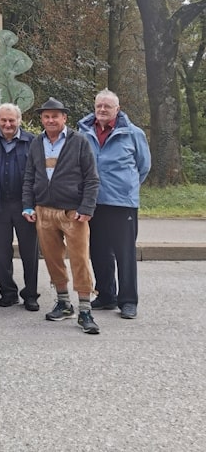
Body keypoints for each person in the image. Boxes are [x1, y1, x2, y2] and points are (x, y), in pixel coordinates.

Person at [22, 97, 101, 334]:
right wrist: (28, 205)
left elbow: (91, 178)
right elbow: (29, 177)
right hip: (44, 211)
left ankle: (85, 309)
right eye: (46, 116)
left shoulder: (79, 142)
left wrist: (86, 208)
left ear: (64, 118)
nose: (50, 120)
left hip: (73, 213)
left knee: (79, 259)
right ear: (42, 119)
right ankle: (64, 303)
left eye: (55, 116)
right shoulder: (37, 143)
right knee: (52, 259)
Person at [78, 89, 151, 319]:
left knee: (124, 254)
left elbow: (144, 166)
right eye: (99, 105)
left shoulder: (133, 133)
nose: (102, 110)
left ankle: (128, 301)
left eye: (107, 107)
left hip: (122, 204)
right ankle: (106, 295)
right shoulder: (82, 132)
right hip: (93, 202)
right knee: (98, 252)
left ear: (117, 110)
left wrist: (127, 186)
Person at [0, 103, 40, 311]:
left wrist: (35, 204)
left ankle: (30, 295)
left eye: (11, 120)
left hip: (25, 206)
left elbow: (39, 175)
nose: (8, 124)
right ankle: (8, 293)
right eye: (3, 120)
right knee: (1, 253)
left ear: (19, 121)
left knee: (29, 252)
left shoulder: (33, 142)